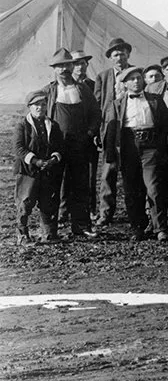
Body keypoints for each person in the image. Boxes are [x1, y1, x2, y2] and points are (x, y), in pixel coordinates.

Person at [105, 66, 168, 240]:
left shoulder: (156, 100)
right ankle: (138, 227)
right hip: (129, 148)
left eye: (138, 78)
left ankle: (160, 228)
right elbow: (110, 131)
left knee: (154, 187)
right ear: (125, 83)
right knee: (132, 190)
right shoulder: (117, 104)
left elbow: (166, 126)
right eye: (132, 79)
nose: (136, 82)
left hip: (151, 147)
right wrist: (111, 157)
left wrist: (164, 151)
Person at [41, 49, 102, 240]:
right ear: (53, 69)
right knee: (52, 186)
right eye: (59, 66)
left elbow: (96, 113)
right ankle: (50, 230)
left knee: (80, 186)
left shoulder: (83, 89)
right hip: (55, 147)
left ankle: (81, 226)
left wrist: (90, 132)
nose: (64, 69)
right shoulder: (48, 91)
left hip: (79, 145)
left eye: (67, 65)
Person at [15, 89, 63, 242]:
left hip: (47, 171)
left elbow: (59, 146)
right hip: (28, 171)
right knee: (25, 203)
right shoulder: (23, 125)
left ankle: (48, 233)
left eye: (43, 104)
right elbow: (19, 148)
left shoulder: (52, 125)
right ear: (29, 106)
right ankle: (22, 234)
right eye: (36, 105)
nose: (40, 108)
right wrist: (36, 161)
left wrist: (53, 159)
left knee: (47, 202)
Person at [95, 36, 133, 225]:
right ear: (111, 57)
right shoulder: (103, 76)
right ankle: (105, 213)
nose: (119, 58)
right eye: (116, 55)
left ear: (128, 55)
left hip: (131, 128)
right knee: (109, 171)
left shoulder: (135, 74)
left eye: (122, 54)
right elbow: (97, 105)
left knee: (131, 172)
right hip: (111, 128)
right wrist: (98, 131)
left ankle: (136, 213)